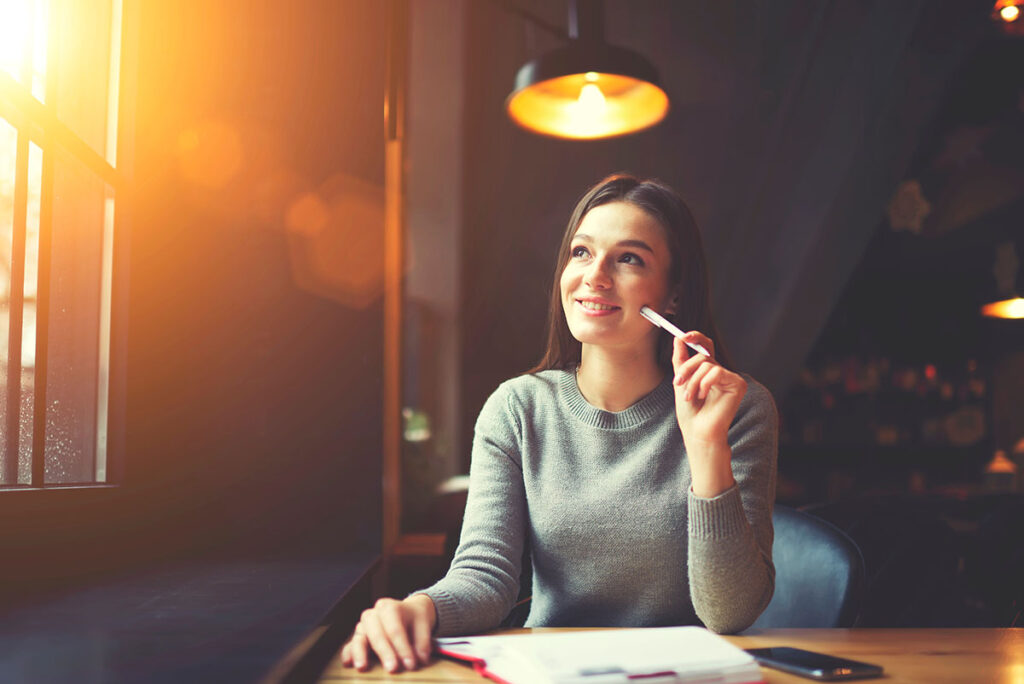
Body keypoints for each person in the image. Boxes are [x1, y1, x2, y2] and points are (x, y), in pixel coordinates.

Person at [341, 173, 778, 673]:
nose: (595, 276)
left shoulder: (740, 409)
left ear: (673, 296)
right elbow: (486, 576)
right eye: (582, 253)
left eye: (629, 258)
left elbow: (730, 614)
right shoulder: (517, 409)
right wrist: (420, 607)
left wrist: (706, 448)